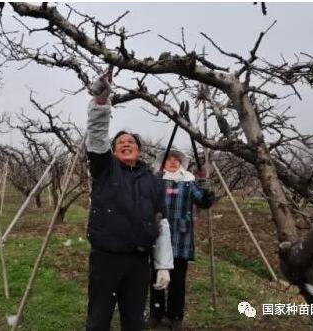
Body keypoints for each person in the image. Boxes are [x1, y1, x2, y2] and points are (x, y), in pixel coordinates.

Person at [85, 70, 174, 331]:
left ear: (139, 149)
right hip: (106, 259)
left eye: (131, 141)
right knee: (99, 319)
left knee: (135, 321)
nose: (126, 143)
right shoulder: (105, 168)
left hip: (138, 262)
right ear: (112, 151)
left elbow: (162, 223)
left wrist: (163, 265)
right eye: (120, 142)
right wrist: (101, 103)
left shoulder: (154, 181)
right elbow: (98, 135)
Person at [144, 150, 215, 331]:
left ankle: (175, 316)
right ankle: (156, 313)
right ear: (163, 163)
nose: (173, 162)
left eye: (177, 160)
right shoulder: (156, 180)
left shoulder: (189, 182)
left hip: (180, 239)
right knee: (156, 278)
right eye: (169, 159)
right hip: (158, 236)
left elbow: (202, 201)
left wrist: (207, 194)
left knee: (177, 281)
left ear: (181, 163)